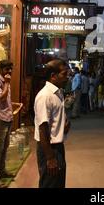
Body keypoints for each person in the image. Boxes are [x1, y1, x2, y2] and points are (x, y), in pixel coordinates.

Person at [34, 59, 71, 188]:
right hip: (49, 149)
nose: (67, 77)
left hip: (57, 147)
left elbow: (53, 121)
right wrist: (50, 157)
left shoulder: (58, 92)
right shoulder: (45, 96)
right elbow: (42, 128)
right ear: (53, 76)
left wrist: (63, 126)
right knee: (50, 184)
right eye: (64, 74)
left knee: (58, 183)